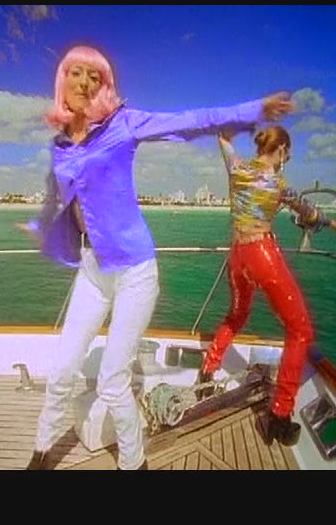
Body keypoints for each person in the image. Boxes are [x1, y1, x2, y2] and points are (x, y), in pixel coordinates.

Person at [17, 44, 296, 470]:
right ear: (62, 79)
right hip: (92, 271)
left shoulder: (123, 123)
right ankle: (41, 452)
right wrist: (41, 226)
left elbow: (191, 121)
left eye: (95, 76)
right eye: (77, 73)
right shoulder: (60, 146)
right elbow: (59, 197)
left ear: (105, 85)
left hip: (134, 272)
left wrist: (254, 110)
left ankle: (134, 463)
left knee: (112, 380)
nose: (85, 83)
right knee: (61, 372)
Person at [198, 125, 336, 447]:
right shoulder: (279, 184)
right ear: (282, 149)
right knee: (300, 330)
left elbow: (223, 140)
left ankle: (208, 369)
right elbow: (311, 213)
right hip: (262, 254)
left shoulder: (237, 168)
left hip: (237, 256)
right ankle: (280, 415)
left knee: (237, 314)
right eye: (289, 152)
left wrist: (231, 130)